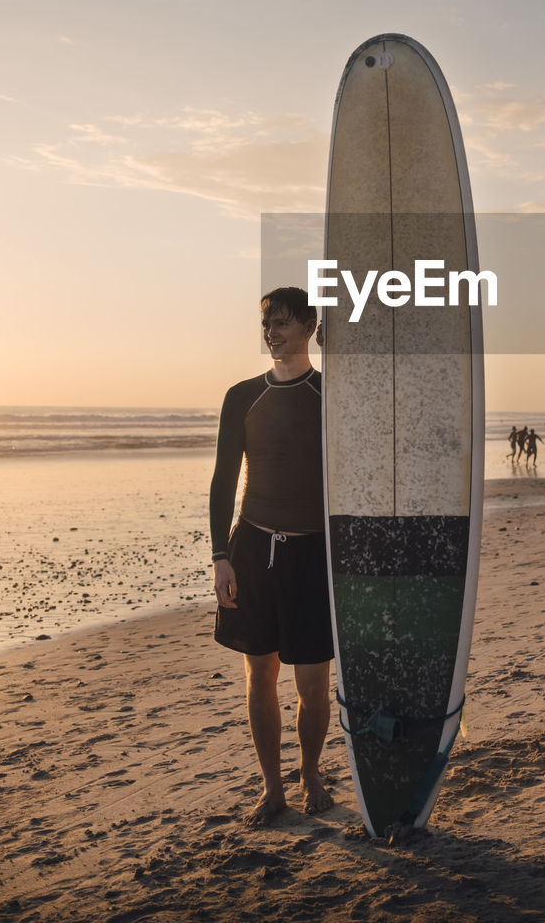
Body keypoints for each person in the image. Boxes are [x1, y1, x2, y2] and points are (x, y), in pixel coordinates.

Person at [209, 286, 334, 827]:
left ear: (309, 327)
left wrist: (344, 350)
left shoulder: (334, 394)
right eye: (266, 324)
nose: (271, 333)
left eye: (283, 323)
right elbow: (222, 480)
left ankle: (310, 772)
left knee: (311, 684)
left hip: (314, 552)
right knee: (259, 675)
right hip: (254, 546)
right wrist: (220, 556)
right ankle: (272, 787)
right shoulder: (242, 396)